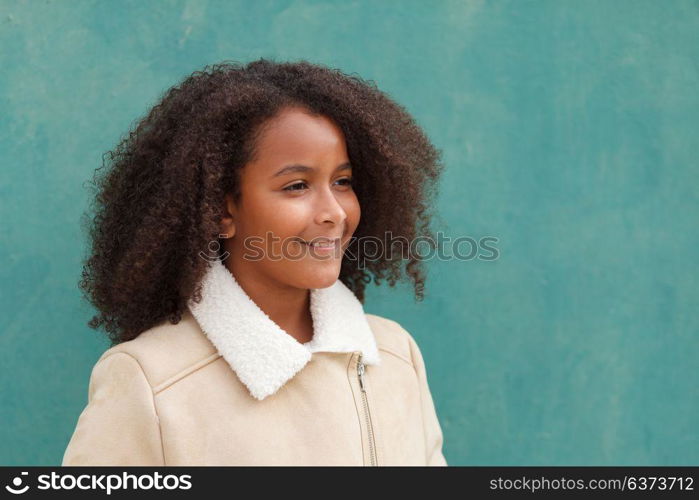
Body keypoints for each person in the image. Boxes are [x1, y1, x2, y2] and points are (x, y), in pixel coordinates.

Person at [62, 59, 447, 466]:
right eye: (296, 186)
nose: (334, 211)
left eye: (342, 181)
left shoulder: (395, 355)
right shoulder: (150, 382)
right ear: (220, 211)